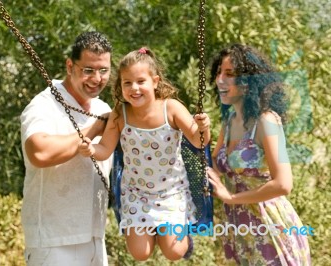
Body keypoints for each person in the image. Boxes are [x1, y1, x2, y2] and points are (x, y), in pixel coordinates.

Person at [78, 47, 211, 261]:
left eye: (141, 81)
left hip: (171, 191)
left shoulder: (172, 108)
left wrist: (203, 127)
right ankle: (158, 231)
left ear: (155, 81)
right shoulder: (119, 115)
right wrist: (91, 149)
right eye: (127, 83)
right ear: (120, 86)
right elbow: (104, 150)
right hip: (136, 194)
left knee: (175, 252)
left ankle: (178, 229)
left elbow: (198, 141)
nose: (134, 88)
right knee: (140, 254)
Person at [207, 43, 311, 265]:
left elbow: (284, 184)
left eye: (230, 74)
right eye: (218, 72)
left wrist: (231, 198)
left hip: (272, 229)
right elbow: (215, 162)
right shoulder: (229, 120)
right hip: (240, 231)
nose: (220, 80)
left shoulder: (266, 121)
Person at [20, 31, 113, 266]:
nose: (97, 78)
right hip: (54, 242)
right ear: (70, 66)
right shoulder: (44, 104)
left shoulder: (103, 106)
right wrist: (94, 130)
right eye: (88, 70)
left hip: (95, 239)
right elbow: (39, 153)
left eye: (103, 71)